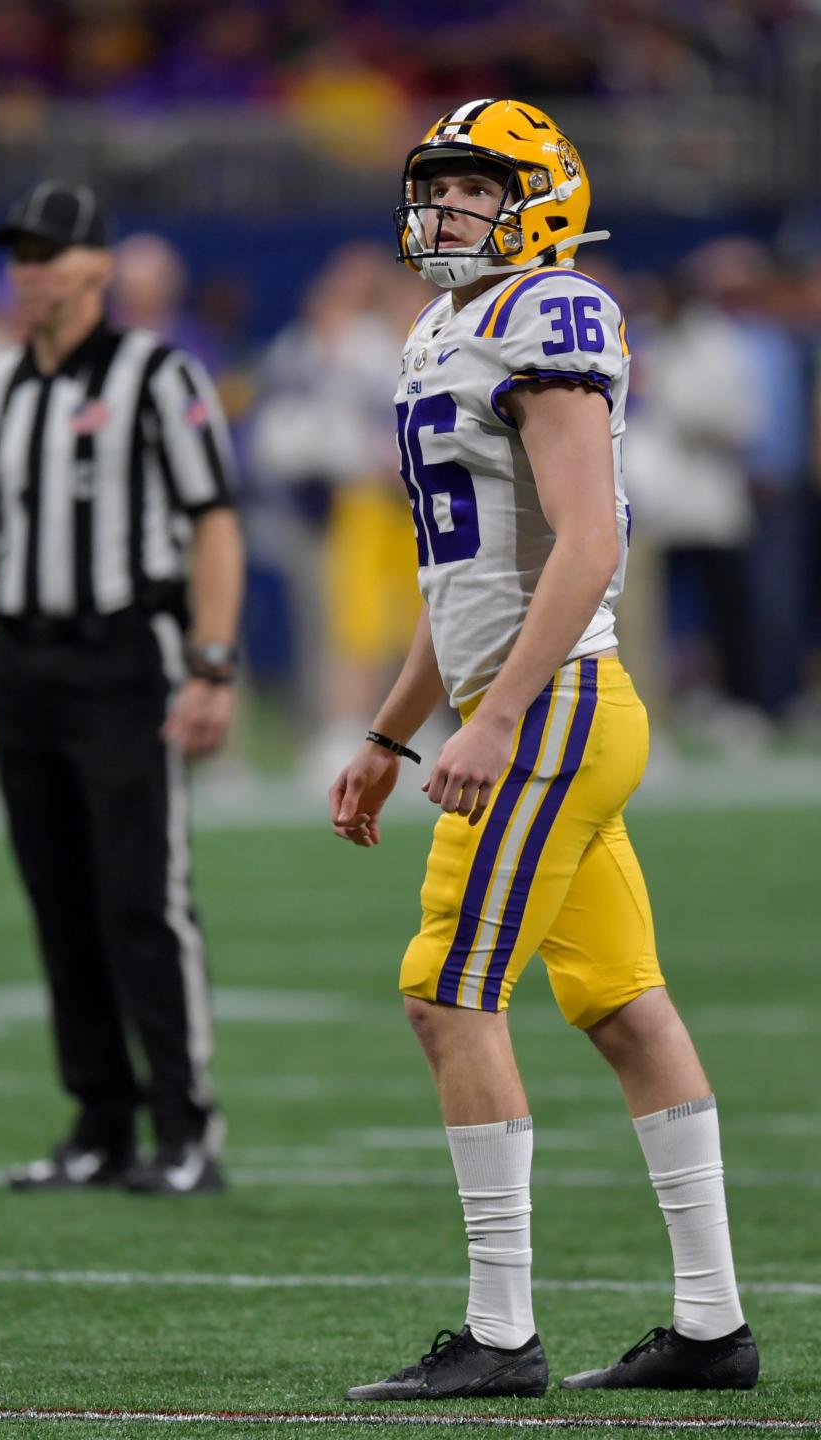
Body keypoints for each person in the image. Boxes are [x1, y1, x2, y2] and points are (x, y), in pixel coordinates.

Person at [329, 100, 758, 1398]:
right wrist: (391, 734)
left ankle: (502, 1333)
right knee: (623, 1006)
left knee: (444, 990)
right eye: (439, 186)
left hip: (556, 702)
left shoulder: (550, 309)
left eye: (477, 187)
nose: (448, 207)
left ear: (545, 196)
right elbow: (458, 579)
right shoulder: (440, 329)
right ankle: (710, 1326)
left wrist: (501, 714)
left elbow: (588, 542)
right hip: (537, 695)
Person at [0, 182, 244, 1195]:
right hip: (23, 662)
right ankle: (101, 1122)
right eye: (18, 257)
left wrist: (213, 663)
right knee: (58, 898)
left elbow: (213, 520)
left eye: (47, 255)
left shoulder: (157, 373)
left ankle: (186, 1128)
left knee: (142, 896)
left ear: (98, 267)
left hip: (121, 661)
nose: (28, 273)